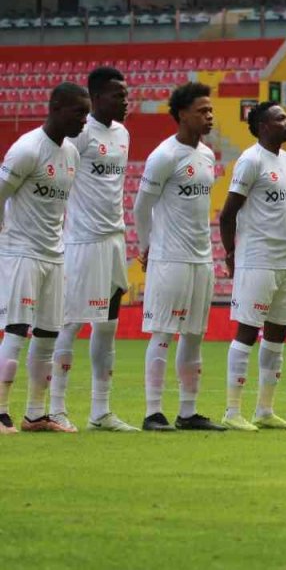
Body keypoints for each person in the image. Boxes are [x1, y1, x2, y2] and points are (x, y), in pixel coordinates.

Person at [49, 67, 136, 432]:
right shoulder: (81, 135)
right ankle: (53, 409)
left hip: (114, 240)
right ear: (97, 98)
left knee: (108, 326)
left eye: (126, 95)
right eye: (119, 96)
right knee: (68, 323)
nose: (125, 101)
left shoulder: (123, 134)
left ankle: (100, 412)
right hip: (83, 242)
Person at [0, 83, 90, 434]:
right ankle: (1, 411)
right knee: (17, 329)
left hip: (54, 254)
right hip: (22, 252)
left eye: (86, 113)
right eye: (77, 112)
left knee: (50, 333)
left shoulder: (72, 154)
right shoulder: (26, 149)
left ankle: (36, 414)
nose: (84, 120)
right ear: (55, 108)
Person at [134, 82, 224, 431]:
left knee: (194, 335)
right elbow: (142, 207)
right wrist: (147, 246)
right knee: (162, 333)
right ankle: (153, 412)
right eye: (203, 111)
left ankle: (188, 412)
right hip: (169, 259)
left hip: (201, 260)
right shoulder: (164, 156)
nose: (210, 116)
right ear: (182, 114)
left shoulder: (207, 155)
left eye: (211, 110)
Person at [217, 101, 286, 431]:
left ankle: (264, 410)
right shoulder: (250, 161)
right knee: (248, 331)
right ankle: (232, 410)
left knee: (278, 333)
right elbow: (227, 213)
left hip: (285, 259)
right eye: (281, 118)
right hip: (257, 259)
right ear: (263, 126)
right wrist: (230, 253)